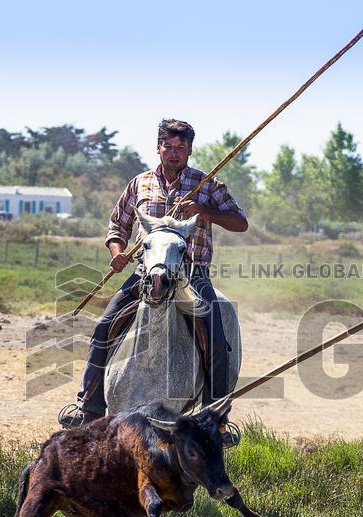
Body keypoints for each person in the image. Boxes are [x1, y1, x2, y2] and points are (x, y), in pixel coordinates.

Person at [58, 118, 248, 427]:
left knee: (215, 335)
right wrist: (118, 254)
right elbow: (117, 226)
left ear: (189, 150)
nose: (174, 153)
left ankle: (215, 420)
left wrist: (204, 212)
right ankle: (88, 408)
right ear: (158, 147)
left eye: (181, 148)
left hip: (192, 273)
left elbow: (240, 222)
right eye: (168, 147)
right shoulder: (139, 183)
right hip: (146, 272)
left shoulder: (207, 184)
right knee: (104, 326)